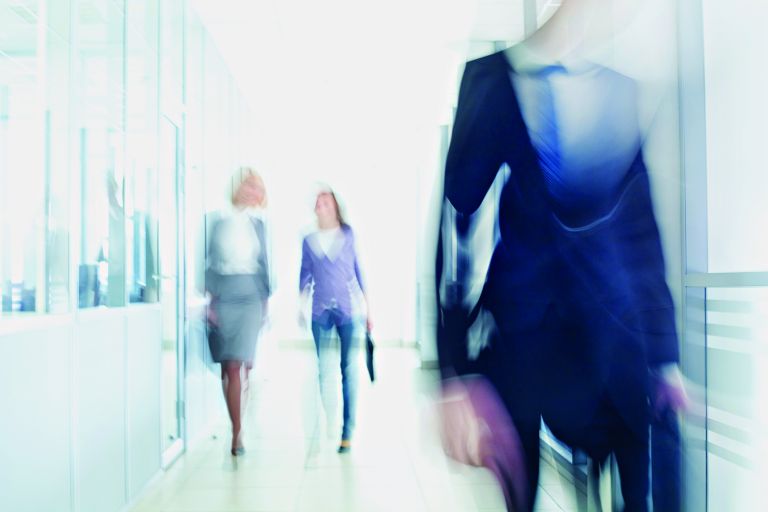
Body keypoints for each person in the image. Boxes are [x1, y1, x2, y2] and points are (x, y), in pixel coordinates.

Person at [435, 1, 686, 509]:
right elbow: (457, 228)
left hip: (616, 346)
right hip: (523, 346)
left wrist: (665, 358)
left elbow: (641, 234)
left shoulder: (620, 91)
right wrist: (454, 372)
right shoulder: (491, 80)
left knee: (638, 493)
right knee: (520, 494)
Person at [299, 187, 371, 453]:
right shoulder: (309, 240)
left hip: (347, 311)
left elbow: (357, 272)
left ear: (336, 207)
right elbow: (304, 274)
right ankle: (329, 415)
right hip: (319, 312)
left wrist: (369, 309)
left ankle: (347, 430)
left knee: (348, 368)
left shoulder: (348, 235)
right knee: (323, 369)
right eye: (318, 203)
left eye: (326, 203)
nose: (321, 207)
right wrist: (300, 304)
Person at [206, 167, 271, 456]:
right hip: (225, 294)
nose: (252, 191)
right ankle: (236, 428)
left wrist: (266, 304)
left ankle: (238, 429)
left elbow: (265, 265)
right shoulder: (217, 221)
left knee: (243, 365)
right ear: (237, 187)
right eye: (248, 185)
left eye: (256, 187)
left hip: (251, 297)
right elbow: (208, 262)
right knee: (229, 367)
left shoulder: (259, 225)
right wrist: (210, 302)